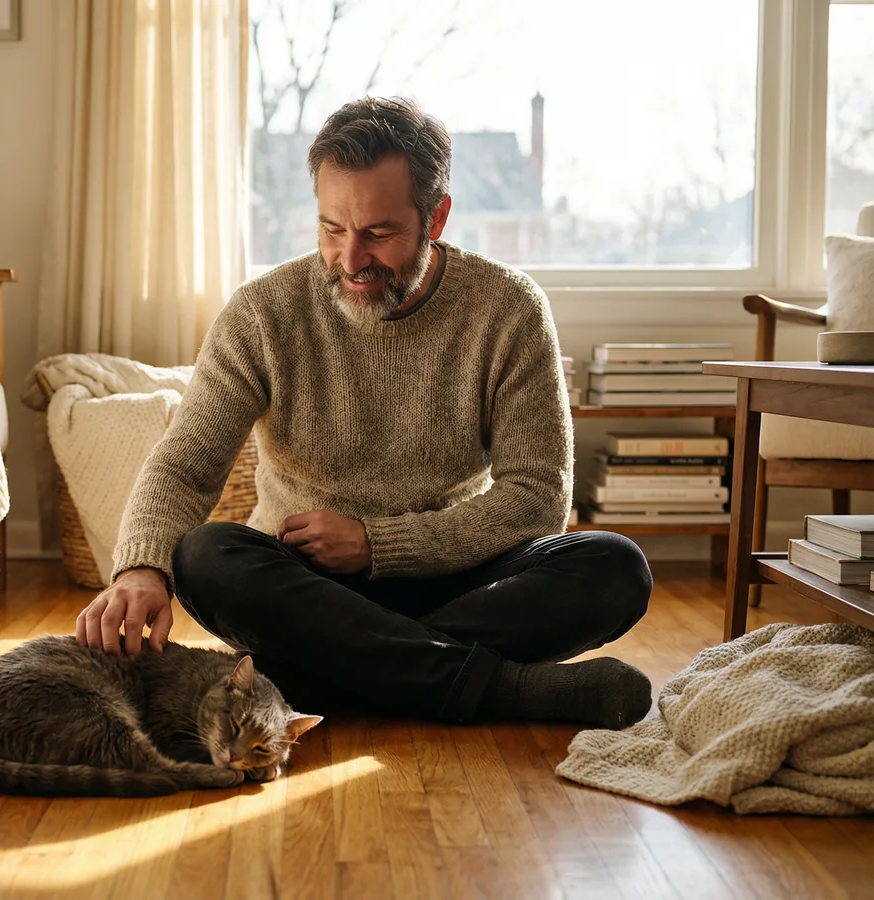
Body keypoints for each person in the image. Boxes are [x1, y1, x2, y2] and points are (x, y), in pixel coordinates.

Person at [75, 96, 654, 729]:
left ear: (436, 217)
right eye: (332, 229)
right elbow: (184, 465)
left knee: (615, 567)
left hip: (457, 569)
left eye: (378, 233)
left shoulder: (508, 309)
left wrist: (378, 544)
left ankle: (334, 670)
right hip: (305, 585)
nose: (351, 260)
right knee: (205, 556)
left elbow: (538, 496)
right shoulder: (262, 313)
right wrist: (140, 569)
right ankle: (503, 689)